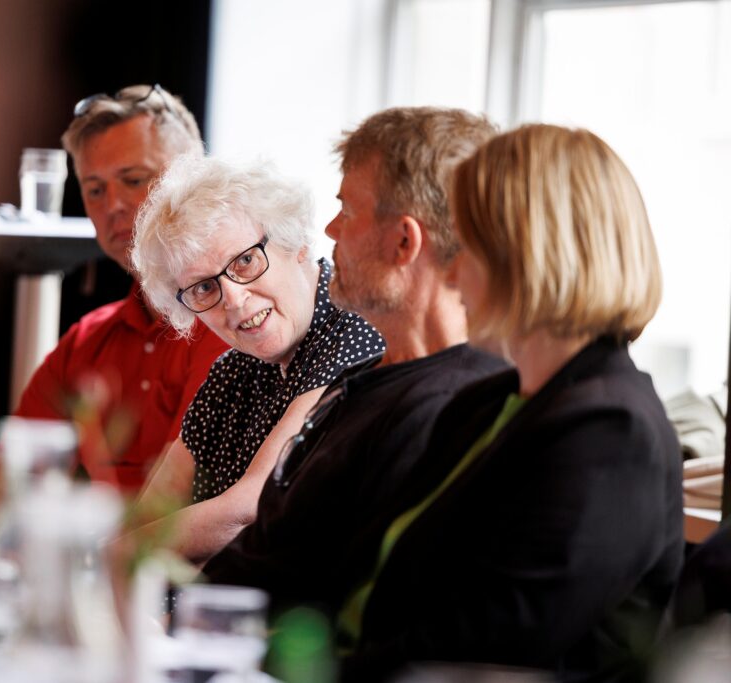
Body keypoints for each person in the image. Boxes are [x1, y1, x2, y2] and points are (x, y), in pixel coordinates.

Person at [336, 124, 683, 681]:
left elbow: (498, 641)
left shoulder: (612, 432)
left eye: (466, 249)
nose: (450, 274)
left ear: (529, 257)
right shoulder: (486, 403)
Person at [203, 107, 507, 612]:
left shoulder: (450, 410)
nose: (329, 228)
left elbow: (336, 603)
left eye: (348, 209)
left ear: (404, 242)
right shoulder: (368, 379)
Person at [129, 155, 385, 564]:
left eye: (245, 261)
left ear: (295, 243)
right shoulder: (233, 370)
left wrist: (105, 559)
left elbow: (249, 508)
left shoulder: (352, 330)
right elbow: (150, 511)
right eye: (203, 287)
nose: (233, 298)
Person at [14, 85, 228, 493]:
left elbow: (179, 502)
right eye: (94, 189)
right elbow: (13, 481)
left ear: (193, 179)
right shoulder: (86, 340)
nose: (112, 203)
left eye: (133, 179)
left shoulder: (229, 321)